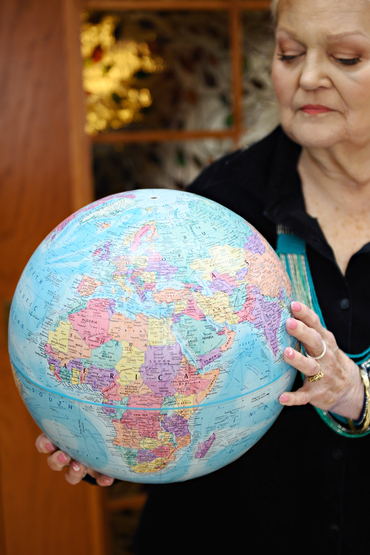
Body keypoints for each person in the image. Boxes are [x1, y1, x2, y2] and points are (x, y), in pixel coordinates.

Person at [36, 0, 370, 552]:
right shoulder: (220, 204)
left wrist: (355, 392)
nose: (309, 76)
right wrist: (102, 428)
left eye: (346, 57)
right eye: (290, 53)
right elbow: (152, 367)